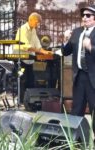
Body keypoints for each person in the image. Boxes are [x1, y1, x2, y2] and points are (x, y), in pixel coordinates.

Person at [63, 4, 95, 136]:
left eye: (88, 15)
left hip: (93, 78)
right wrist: (65, 40)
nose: (84, 18)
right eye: (83, 15)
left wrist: (91, 47)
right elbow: (66, 52)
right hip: (79, 77)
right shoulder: (76, 32)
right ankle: (75, 141)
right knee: (76, 110)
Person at [13, 12, 53, 102]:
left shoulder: (33, 30)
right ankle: (20, 100)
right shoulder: (23, 29)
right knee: (21, 79)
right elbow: (27, 47)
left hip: (29, 60)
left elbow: (37, 45)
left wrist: (45, 52)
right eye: (37, 22)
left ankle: (28, 101)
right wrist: (40, 51)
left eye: (39, 22)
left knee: (31, 80)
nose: (38, 24)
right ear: (31, 20)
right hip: (20, 59)